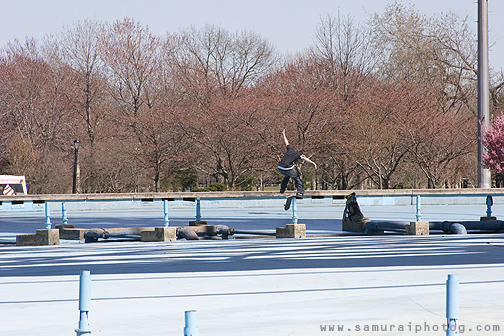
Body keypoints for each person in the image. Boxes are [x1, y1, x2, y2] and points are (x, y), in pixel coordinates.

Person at [278, 129, 317, 198]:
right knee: (297, 177)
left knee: (287, 176)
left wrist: (283, 134)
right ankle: (300, 192)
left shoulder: (290, 149)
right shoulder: (299, 154)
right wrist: (313, 163)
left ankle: (282, 189)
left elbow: (286, 142)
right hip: (287, 168)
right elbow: (305, 158)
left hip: (280, 167)